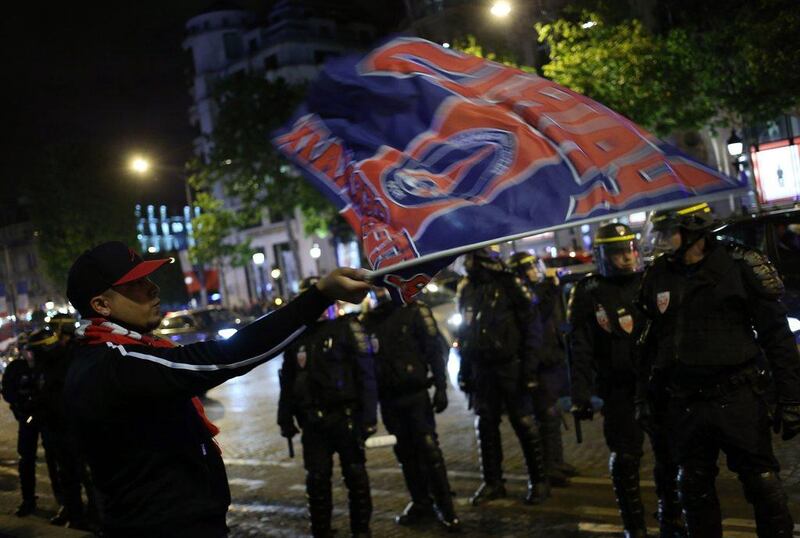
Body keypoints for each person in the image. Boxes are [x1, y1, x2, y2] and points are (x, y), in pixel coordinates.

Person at [63, 241, 372, 538]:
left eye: (147, 278)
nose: (153, 287)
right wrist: (319, 296)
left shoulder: (107, 355)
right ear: (101, 304)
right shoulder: (115, 363)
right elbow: (226, 357)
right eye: (135, 284)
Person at [639, 203, 800, 537]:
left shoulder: (739, 266)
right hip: (685, 402)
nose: (663, 241)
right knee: (692, 488)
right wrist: (648, 400)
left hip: (736, 395)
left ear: (693, 231)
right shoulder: (658, 275)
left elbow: (777, 337)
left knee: (762, 484)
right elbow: (652, 345)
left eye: (670, 232)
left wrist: (791, 397)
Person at [568, 223, 684, 538]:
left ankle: (671, 514)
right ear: (604, 256)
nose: (626, 258)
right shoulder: (589, 292)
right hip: (618, 388)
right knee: (626, 457)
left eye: (629, 250)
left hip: (656, 383)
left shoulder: (649, 281)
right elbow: (580, 348)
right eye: (618, 253)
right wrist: (580, 394)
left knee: (669, 453)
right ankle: (634, 525)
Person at [278, 276, 377, 538]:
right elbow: (287, 380)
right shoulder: (298, 337)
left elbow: (365, 374)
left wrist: (369, 417)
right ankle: (321, 531)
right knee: (317, 481)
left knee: (355, 477)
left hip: (345, 417)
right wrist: (284, 417)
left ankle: (361, 531)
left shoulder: (346, 328)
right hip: (313, 422)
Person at [456, 245, 550, 506]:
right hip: (482, 367)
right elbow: (465, 332)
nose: (468, 262)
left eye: (472, 257)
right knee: (485, 424)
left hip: (511, 366)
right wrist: (465, 370)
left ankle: (539, 481)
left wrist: (529, 368)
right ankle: (493, 482)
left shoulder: (510, 283)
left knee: (523, 422)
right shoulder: (467, 289)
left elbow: (532, 327)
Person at [360, 288, 460, 531]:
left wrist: (440, 386)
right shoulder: (368, 320)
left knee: (429, 451)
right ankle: (421, 502)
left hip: (415, 394)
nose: (380, 291)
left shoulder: (414, 311)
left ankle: (446, 508)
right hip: (389, 399)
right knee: (405, 454)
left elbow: (434, 351)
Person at [507, 251, 575, 487]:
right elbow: (540, 312)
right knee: (545, 415)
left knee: (553, 414)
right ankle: (549, 466)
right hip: (539, 363)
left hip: (551, 359)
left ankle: (557, 461)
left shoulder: (537, 290)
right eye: (530, 268)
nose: (535, 271)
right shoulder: (525, 295)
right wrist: (551, 287)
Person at [27, 327, 90, 529]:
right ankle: (76, 515)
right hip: (57, 427)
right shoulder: (49, 364)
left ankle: (93, 516)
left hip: (70, 427)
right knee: (68, 476)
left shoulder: (64, 363)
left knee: (81, 475)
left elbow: (56, 396)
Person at [1, 332, 63, 518]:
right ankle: (28, 500)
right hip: (26, 419)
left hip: (45, 418)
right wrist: (22, 405)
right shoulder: (17, 367)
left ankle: (62, 500)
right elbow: (8, 392)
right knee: (26, 459)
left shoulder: (44, 365)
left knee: (54, 459)